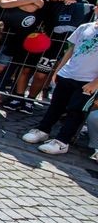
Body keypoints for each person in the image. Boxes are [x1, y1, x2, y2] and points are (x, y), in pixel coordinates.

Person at [23, 17, 98, 155]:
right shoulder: (84, 27)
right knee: (56, 105)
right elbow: (71, 50)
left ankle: (62, 141)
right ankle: (43, 130)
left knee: (76, 111)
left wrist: (95, 82)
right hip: (68, 74)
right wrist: (59, 70)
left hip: (88, 81)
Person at [29, 0, 93, 101]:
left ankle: (59, 105)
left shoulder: (85, 6)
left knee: (63, 78)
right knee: (40, 75)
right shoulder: (50, 1)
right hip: (50, 46)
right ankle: (30, 99)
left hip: (72, 50)